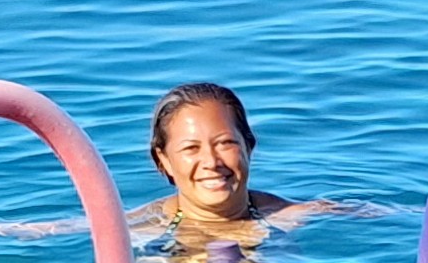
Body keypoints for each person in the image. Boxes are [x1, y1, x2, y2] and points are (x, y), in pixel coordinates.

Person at [139, 80, 362, 245]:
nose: (211, 161)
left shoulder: (287, 216)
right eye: (191, 148)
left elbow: (381, 215)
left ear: (249, 146)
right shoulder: (136, 230)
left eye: (225, 143)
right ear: (163, 160)